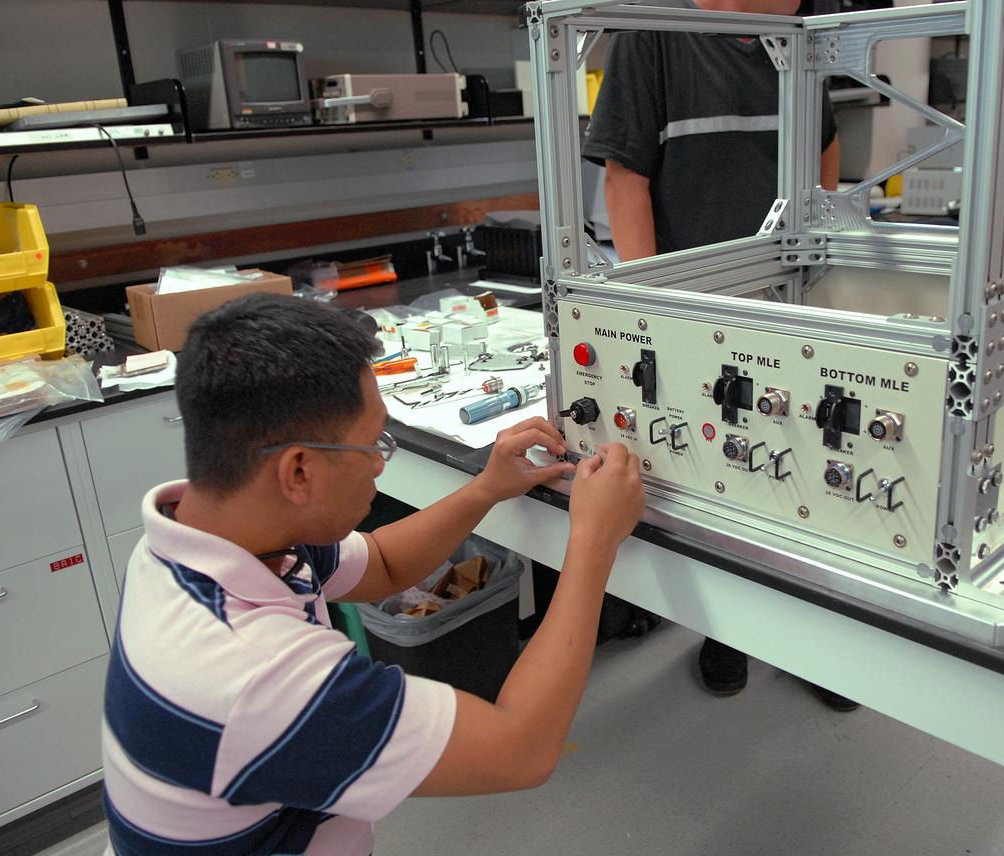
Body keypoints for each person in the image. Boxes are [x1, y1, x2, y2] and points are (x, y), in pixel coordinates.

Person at [101, 293, 644, 855]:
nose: (381, 462)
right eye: (371, 444)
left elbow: (382, 563)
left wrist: (486, 488)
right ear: (298, 472)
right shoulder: (255, 677)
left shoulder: (202, 538)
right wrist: (594, 540)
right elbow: (522, 750)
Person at [582, 0, 853, 709]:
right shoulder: (654, 39)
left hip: (792, 303)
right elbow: (625, 178)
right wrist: (654, 308)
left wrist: (818, 252)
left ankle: (820, 640)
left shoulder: (798, 42)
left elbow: (824, 146)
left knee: (818, 472)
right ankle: (726, 630)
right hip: (698, 314)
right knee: (722, 476)